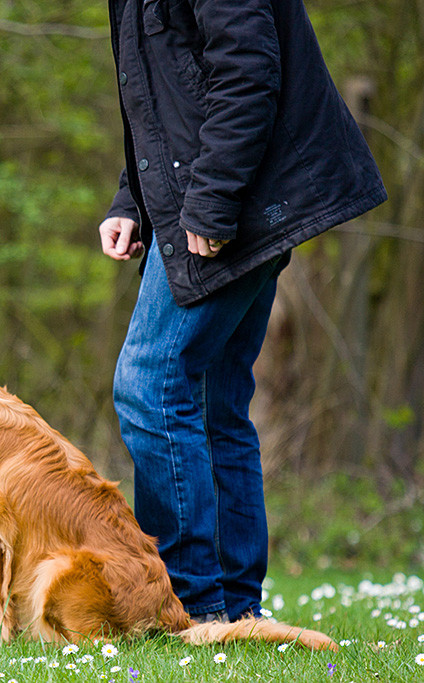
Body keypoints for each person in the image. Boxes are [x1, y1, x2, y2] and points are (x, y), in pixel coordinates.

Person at [99, 0, 386, 623]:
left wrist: (211, 201)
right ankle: (233, 611)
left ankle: (190, 608)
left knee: (149, 384)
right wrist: (132, 200)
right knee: (214, 403)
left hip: (232, 203)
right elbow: (165, 95)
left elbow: (248, 73)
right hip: (223, 199)